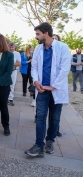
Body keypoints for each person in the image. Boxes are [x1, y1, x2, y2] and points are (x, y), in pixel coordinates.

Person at [25, 22, 71, 157]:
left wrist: (53, 86)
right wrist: (36, 81)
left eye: (38, 34)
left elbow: (64, 69)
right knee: (40, 117)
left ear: (46, 33)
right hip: (42, 90)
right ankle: (39, 144)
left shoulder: (63, 47)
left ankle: (50, 141)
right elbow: (33, 68)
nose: (36, 37)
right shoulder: (38, 50)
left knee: (55, 118)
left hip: (56, 89)